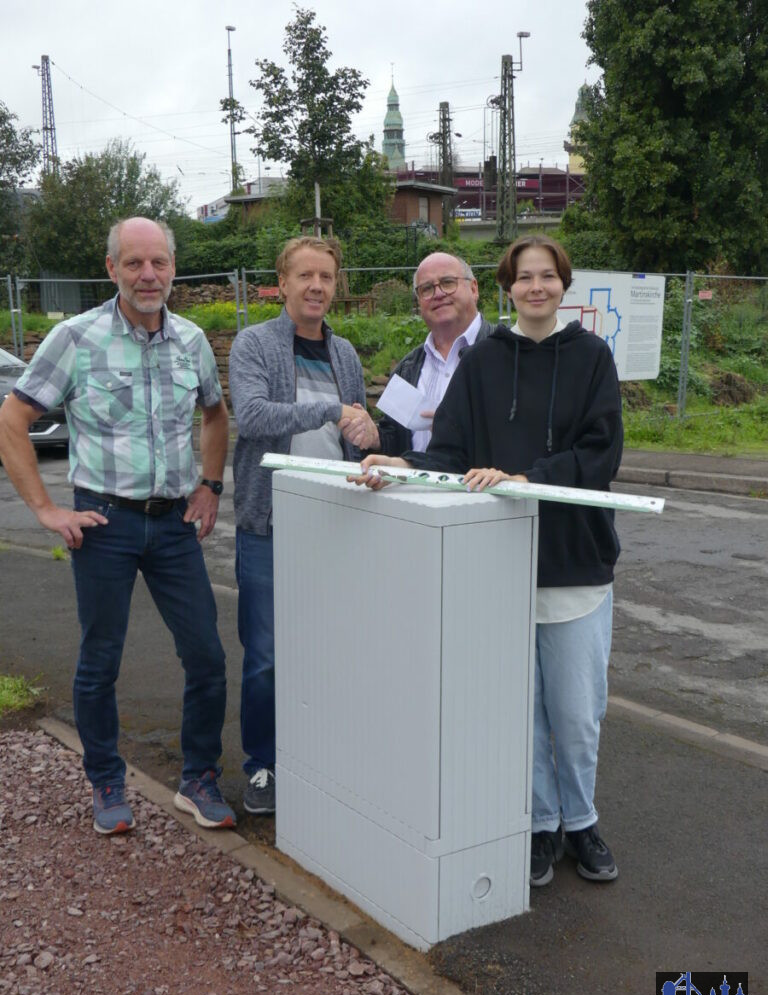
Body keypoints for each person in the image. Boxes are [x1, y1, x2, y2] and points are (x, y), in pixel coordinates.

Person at [353, 235, 623, 886]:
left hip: (572, 562)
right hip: (495, 563)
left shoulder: (591, 358)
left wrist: (533, 477)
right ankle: (539, 825)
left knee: (576, 712)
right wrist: (403, 465)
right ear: (506, 287)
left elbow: (601, 453)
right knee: (518, 713)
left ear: (564, 283)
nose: (536, 287)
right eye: (524, 277)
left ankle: (581, 821)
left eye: (547, 276)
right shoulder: (484, 363)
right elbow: (449, 450)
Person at [0, 217, 236, 836]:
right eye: (133, 263)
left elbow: (215, 415)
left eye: (157, 262)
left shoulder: (190, 340)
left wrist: (210, 487)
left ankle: (198, 778)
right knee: (100, 659)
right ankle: (106, 779)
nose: (148, 275)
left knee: (208, 657)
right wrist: (47, 510)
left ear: (173, 267)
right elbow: (12, 419)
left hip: (174, 524)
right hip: (103, 521)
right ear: (111, 270)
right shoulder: (76, 338)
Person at [229, 235, 378, 816]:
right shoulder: (254, 343)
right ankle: (263, 763)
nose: (317, 286)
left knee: (331, 649)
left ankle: (319, 754)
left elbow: (353, 427)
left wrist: (367, 440)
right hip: (270, 525)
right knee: (266, 655)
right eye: (305, 276)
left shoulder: (343, 354)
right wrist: (331, 411)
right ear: (283, 283)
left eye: (326, 277)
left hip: (335, 523)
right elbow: (254, 416)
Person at [377, 252, 494, 456]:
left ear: (474, 288)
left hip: (482, 486)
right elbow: (393, 440)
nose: (438, 294)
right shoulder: (408, 368)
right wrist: (374, 438)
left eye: (448, 282)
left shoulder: (505, 353)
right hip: (416, 486)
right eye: (427, 289)